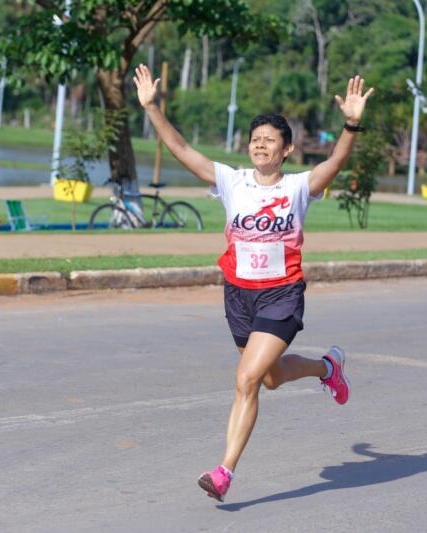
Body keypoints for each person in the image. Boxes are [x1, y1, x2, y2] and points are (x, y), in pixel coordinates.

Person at [134, 63, 374, 502]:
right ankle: (328, 367)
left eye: (270, 140)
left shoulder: (300, 186)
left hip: (282, 293)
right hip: (239, 294)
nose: (260, 144)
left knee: (245, 379)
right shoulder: (232, 181)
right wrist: (152, 108)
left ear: (286, 150)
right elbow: (181, 148)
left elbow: (337, 160)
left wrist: (351, 123)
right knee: (269, 379)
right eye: (255, 139)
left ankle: (224, 471)